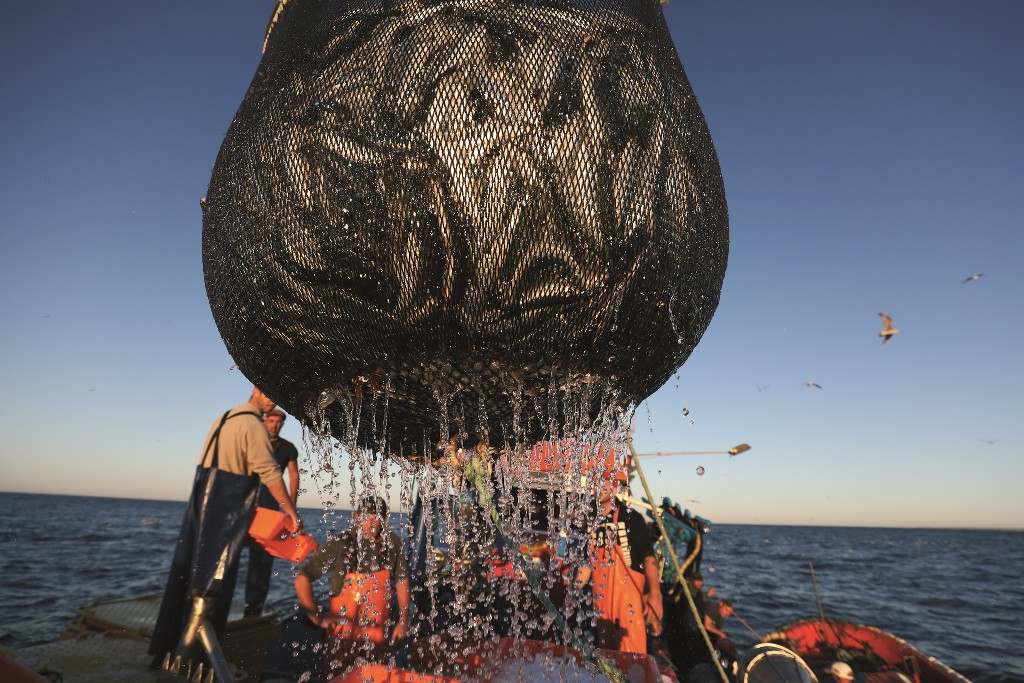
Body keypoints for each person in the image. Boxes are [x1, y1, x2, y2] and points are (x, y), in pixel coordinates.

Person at [149, 387, 303, 670]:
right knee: (216, 582)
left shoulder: (224, 418)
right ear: (255, 390)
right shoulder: (252, 425)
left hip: (202, 497)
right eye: (267, 393)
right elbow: (269, 471)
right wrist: (290, 511)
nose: (272, 400)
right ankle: (197, 660)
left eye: (275, 397)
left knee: (189, 572)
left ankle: (167, 648)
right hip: (228, 504)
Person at [294, 495, 411, 678]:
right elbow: (302, 578)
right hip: (342, 638)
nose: (370, 524)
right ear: (356, 517)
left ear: (385, 519)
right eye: (366, 518)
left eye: (376, 519)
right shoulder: (340, 543)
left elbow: (402, 582)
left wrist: (403, 620)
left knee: (377, 676)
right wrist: (316, 616)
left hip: (378, 639)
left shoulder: (393, 544)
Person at [576, 471, 663, 654]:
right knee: (605, 657)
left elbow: (649, 559)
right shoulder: (591, 521)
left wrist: (654, 595)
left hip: (629, 602)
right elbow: (587, 566)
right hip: (601, 603)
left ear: (614, 487)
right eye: (596, 484)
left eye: (604, 483)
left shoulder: (631, 517)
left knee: (631, 657)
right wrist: (573, 590)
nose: (599, 488)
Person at [243, 408, 301, 616]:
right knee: (229, 548)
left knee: (263, 554)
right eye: (271, 421)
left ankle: (254, 605)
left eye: (279, 422)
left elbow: (294, 477)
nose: (275, 425)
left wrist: (291, 508)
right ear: (265, 420)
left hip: (270, 501)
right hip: (246, 497)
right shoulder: (255, 441)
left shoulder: (287, 448)